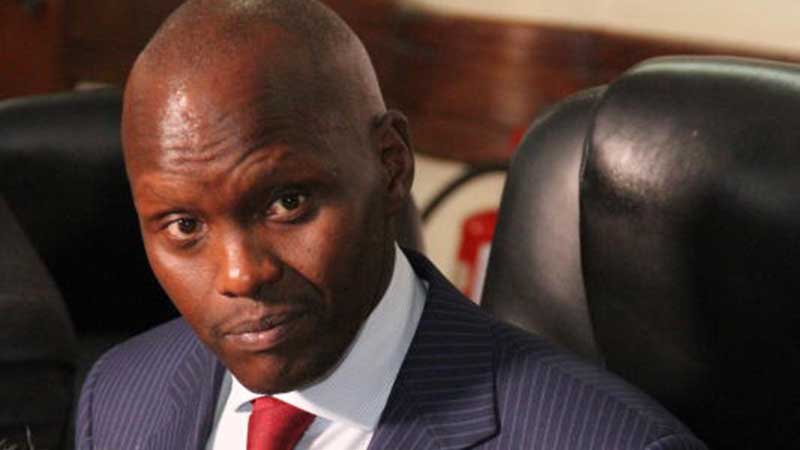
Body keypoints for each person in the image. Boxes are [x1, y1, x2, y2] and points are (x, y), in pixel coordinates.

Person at [75, 1, 707, 449]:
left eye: (287, 202)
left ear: (390, 163)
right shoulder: (118, 397)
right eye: (183, 226)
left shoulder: (611, 441)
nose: (241, 274)